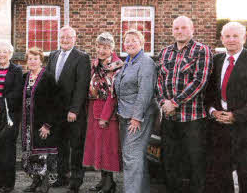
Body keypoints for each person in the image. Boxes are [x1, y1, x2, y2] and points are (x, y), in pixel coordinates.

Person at [205, 22, 247, 193]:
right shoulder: (216, 60)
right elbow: (209, 93)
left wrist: (236, 116)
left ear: (244, 38)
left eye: (235, 36)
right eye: (227, 36)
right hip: (221, 130)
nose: (231, 39)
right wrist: (213, 112)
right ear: (221, 39)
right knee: (221, 178)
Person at [156, 16, 213, 192]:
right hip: (169, 118)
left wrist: (174, 102)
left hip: (193, 119)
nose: (179, 31)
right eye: (176, 28)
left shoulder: (202, 50)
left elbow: (199, 81)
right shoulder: (165, 52)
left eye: (183, 28)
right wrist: (164, 103)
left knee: (195, 163)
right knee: (170, 163)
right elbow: (158, 82)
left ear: (192, 29)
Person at [44, 26, 90, 193]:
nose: (64, 40)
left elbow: (81, 86)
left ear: (74, 39)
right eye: (62, 37)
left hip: (73, 112)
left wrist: (74, 110)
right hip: (57, 111)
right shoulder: (53, 55)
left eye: (68, 37)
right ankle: (62, 177)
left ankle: (76, 180)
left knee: (76, 146)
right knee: (60, 145)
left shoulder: (82, 58)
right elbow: (49, 81)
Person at [114, 29, 158, 193]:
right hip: (125, 115)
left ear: (142, 43)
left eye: (134, 40)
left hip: (138, 117)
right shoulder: (128, 61)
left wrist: (137, 118)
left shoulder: (146, 62)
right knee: (136, 157)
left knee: (131, 157)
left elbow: (145, 92)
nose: (130, 43)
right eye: (127, 41)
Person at [82, 32, 123, 193]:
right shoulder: (95, 64)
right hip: (93, 110)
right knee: (97, 148)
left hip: (108, 112)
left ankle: (110, 184)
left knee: (108, 149)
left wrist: (105, 117)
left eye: (106, 47)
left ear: (112, 48)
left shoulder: (116, 66)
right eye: (99, 46)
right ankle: (103, 180)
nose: (102, 50)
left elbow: (114, 94)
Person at [20, 47, 60, 193]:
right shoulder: (25, 77)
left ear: (41, 61)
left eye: (35, 59)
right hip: (27, 125)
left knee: (44, 155)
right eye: (30, 59)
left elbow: (55, 103)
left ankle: (45, 184)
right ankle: (35, 181)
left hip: (42, 124)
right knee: (32, 154)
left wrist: (47, 125)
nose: (32, 61)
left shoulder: (47, 77)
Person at [0, 42, 23, 193]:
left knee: (8, 149)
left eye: (5, 52)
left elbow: (16, 93)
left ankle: (9, 184)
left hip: (10, 115)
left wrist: (1, 106)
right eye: (0, 52)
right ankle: (0, 181)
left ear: (10, 54)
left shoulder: (16, 70)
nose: (2, 54)